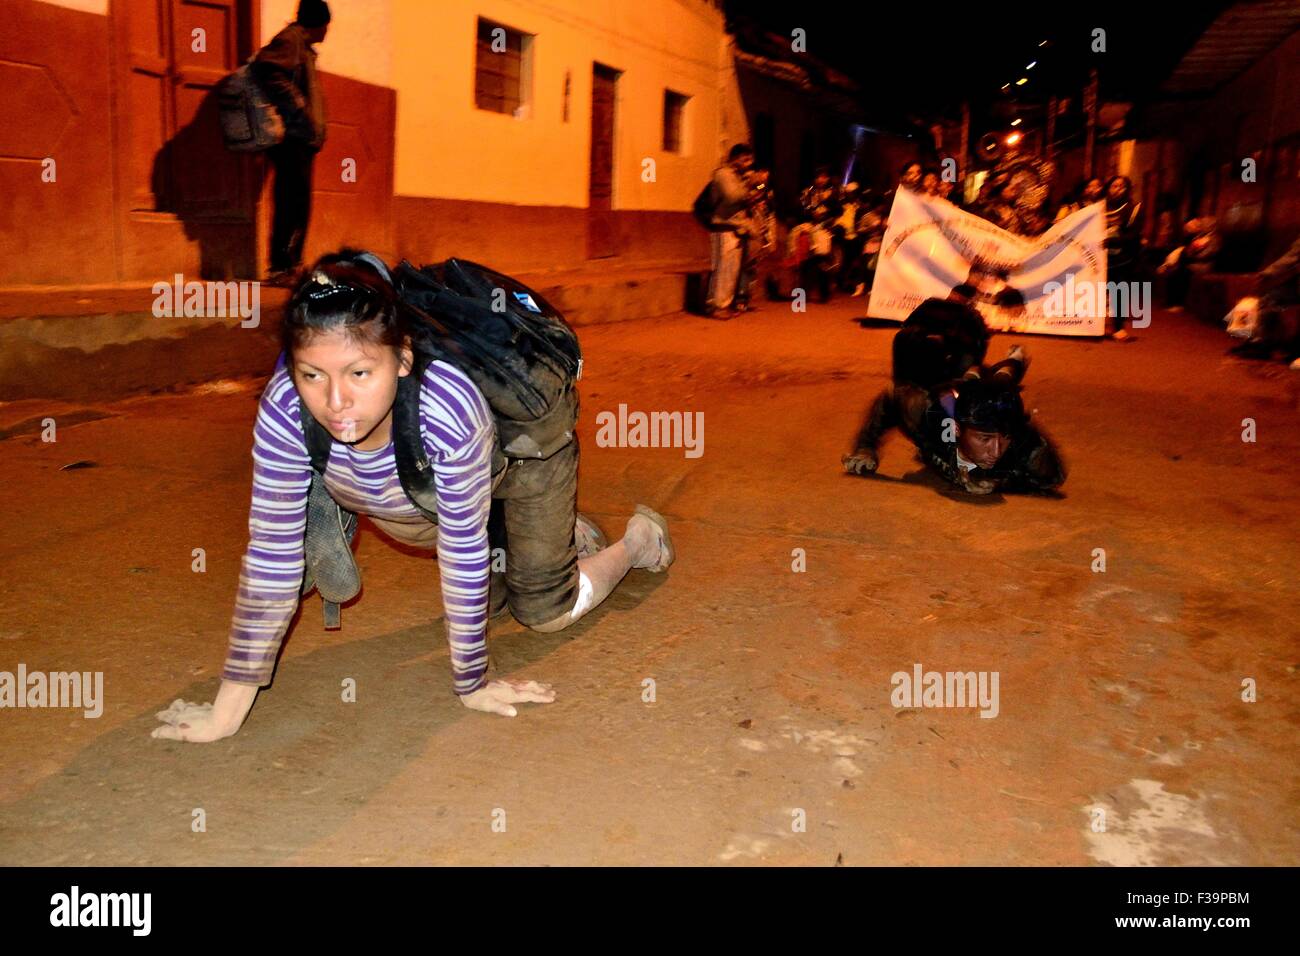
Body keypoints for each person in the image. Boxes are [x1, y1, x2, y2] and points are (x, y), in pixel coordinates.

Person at [152, 251, 675, 742]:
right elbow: (272, 559)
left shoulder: (447, 406)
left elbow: (462, 546)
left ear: (402, 359)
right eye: (312, 374)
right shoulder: (285, 408)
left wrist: (472, 683)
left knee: (541, 611)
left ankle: (634, 542)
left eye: (360, 373)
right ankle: (562, 537)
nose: (336, 402)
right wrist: (224, 715)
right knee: (486, 604)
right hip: (434, 492)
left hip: (524, 464)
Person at [842, 298, 1065, 495]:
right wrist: (866, 447)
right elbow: (892, 396)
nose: (995, 451)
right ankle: (1013, 360)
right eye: (985, 439)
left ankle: (1015, 360)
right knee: (978, 377)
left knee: (996, 379)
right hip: (961, 387)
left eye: (1002, 439)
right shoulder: (925, 409)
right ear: (958, 428)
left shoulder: (1026, 447)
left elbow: (1053, 477)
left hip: (975, 384)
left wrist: (999, 480)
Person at [252, 0, 331, 285]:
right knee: (290, 202)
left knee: (298, 203)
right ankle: (281, 267)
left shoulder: (302, 46)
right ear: (319, 23)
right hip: (292, 138)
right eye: (326, 25)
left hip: (302, 138)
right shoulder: (291, 40)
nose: (327, 31)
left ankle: (292, 264)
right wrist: (298, 106)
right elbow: (266, 68)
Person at [703, 144, 756, 319]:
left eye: (749, 160)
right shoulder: (723, 174)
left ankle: (720, 304)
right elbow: (732, 196)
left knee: (731, 270)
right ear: (735, 158)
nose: (748, 164)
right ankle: (716, 306)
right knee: (723, 268)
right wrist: (749, 183)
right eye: (745, 159)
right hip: (723, 226)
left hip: (736, 227)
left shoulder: (736, 176)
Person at [1103, 175, 1142, 340]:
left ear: (1127, 189)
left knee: (1119, 291)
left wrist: (1111, 240)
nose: (1117, 189)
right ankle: (1098, 325)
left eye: (1121, 186)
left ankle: (1118, 327)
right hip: (1099, 257)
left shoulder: (1133, 209)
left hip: (1122, 258)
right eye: (1114, 186)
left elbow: (1134, 234)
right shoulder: (1099, 208)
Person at [736, 168, 777, 312]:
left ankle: (746, 298)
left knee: (752, 267)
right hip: (750, 231)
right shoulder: (752, 186)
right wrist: (758, 187)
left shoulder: (765, 191)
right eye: (763, 173)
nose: (765, 176)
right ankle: (740, 299)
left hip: (760, 232)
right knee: (746, 266)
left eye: (767, 175)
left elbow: (769, 212)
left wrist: (769, 236)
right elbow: (752, 194)